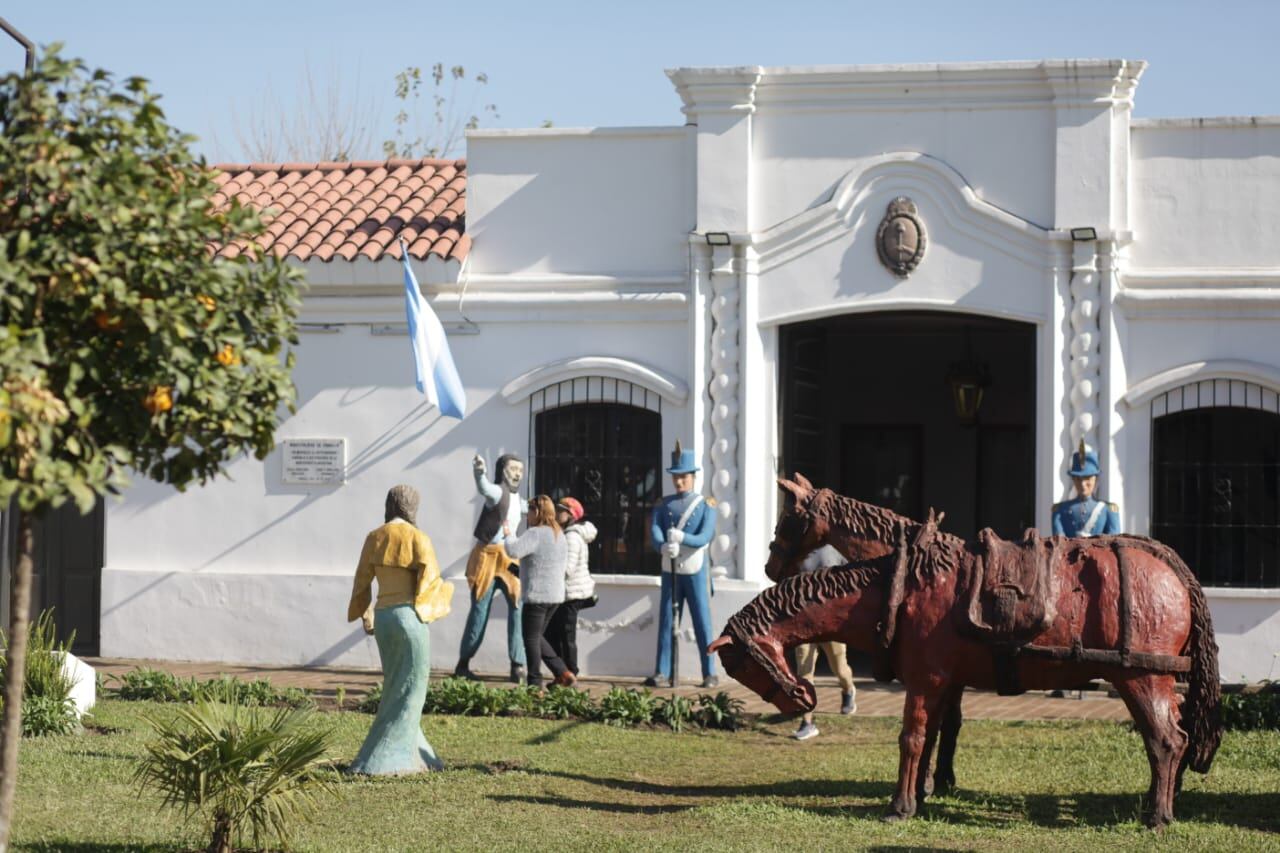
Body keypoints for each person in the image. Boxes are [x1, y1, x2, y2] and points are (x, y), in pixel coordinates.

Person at [346, 485, 454, 775]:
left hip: (383, 616)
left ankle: (419, 752)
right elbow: (429, 585)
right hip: (409, 617)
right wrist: (445, 595)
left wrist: (366, 614)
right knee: (412, 689)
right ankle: (388, 759)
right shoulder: (418, 538)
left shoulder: (374, 537)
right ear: (412, 508)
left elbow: (361, 581)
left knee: (397, 686)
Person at [645, 441, 719, 689]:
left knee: (702, 621)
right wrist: (661, 545)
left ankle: (709, 672)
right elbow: (655, 529)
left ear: (693, 477)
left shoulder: (705, 505)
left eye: (683, 477)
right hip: (671, 567)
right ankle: (662, 671)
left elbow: (705, 536)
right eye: (676, 477)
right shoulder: (663, 504)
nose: (679, 482)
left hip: (695, 569)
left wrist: (682, 538)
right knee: (667, 620)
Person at [455, 453, 526, 683]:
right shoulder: (497, 492)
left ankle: (518, 664)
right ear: (503, 470)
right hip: (487, 557)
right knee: (479, 610)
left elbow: (532, 508)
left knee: (518, 605)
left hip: (510, 557)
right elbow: (484, 488)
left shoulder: (518, 500)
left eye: (520, 470)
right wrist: (479, 472)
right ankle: (463, 663)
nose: (518, 473)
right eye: (513, 468)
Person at [503, 494, 575, 688]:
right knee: (537, 637)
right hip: (555, 596)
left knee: (531, 639)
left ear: (538, 511)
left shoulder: (536, 533)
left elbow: (514, 551)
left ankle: (535, 684)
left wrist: (508, 533)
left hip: (537, 596)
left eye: (530, 512)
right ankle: (563, 672)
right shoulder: (558, 533)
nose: (528, 516)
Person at [791, 545, 857, 741]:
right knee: (804, 673)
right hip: (803, 621)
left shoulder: (836, 549)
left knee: (839, 668)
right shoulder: (798, 551)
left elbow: (852, 582)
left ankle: (848, 690)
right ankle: (807, 722)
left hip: (831, 623)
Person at [546, 496, 597, 676]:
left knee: (566, 636)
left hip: (571, 594)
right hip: (566, 593)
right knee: (555, 633)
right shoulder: (568, 535)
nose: (557, 514)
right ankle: (563, 673)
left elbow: (567, 568)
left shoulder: (572, 537)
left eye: (561, 511)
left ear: (570, 515)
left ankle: (570, 673)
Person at [1052, 441, 1121, 537]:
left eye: (1087, 478)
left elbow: (1114, 541)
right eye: (1078, 479)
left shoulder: (1109, 510)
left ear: (1096, 479)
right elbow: (1058, 543)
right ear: (1073, 480)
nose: (1083, 484)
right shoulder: (1060, 510)